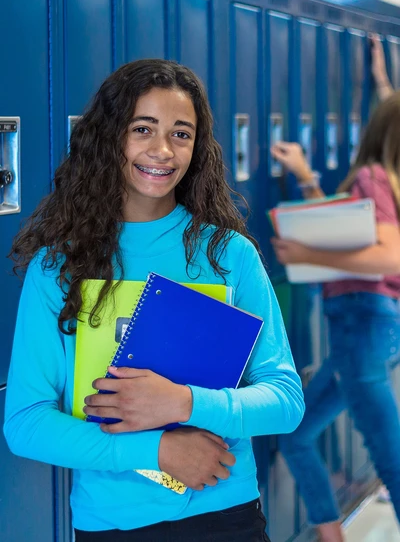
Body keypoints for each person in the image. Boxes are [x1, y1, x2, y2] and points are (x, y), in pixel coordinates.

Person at [3, 59, 304, 542]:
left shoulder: (228, 255)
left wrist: (183, 402)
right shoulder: (58, 268)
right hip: (112, 523)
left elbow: (285, 401)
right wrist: (159, 451)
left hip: (226, 513)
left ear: (197, 147)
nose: (162, 150)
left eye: (181, 134)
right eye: (143, 128)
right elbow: (26, 422)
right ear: (109, 137)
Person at [270, 89, 400, 542]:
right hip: (368, 329)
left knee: (389, 457)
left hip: (361, 325)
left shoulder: (372, 175)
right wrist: (307, 177)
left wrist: (305, 251)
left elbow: (387, 253)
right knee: (297, 435)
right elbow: (348, 232)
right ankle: (330, 531)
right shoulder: (389, 182)